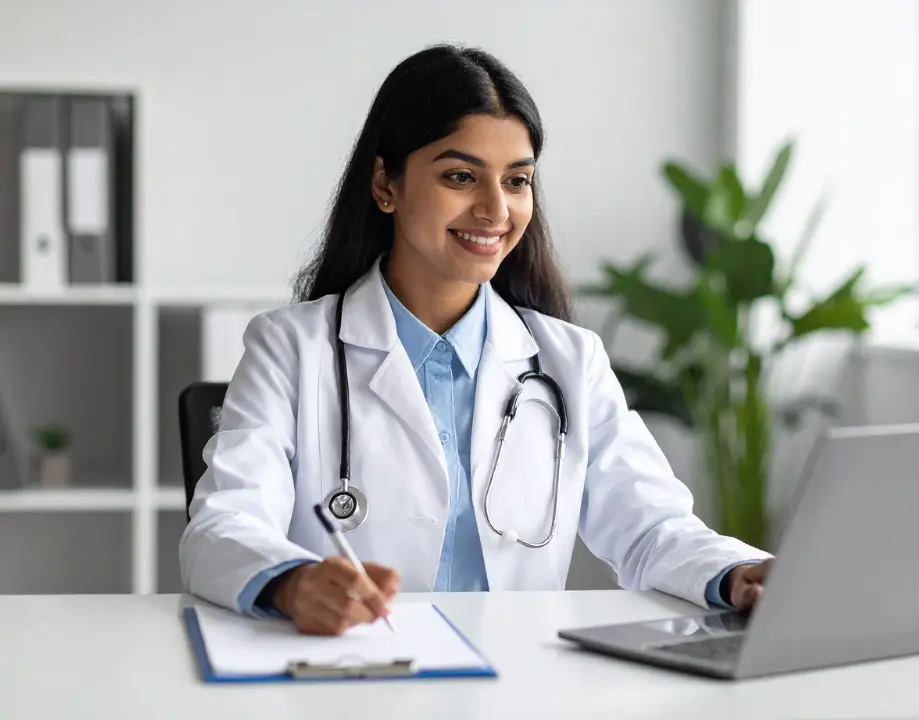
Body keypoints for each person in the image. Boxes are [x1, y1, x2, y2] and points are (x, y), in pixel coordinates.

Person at [179, 44, 773, 636]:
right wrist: (293, 583)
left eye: (517, 181)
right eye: (460, 176)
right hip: (358, 666)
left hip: (519, 672)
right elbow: (222, 525)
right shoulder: (291, 349)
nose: (495, 209)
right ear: (386, 184)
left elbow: (652, 529)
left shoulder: (570, 361)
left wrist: (737, 572)